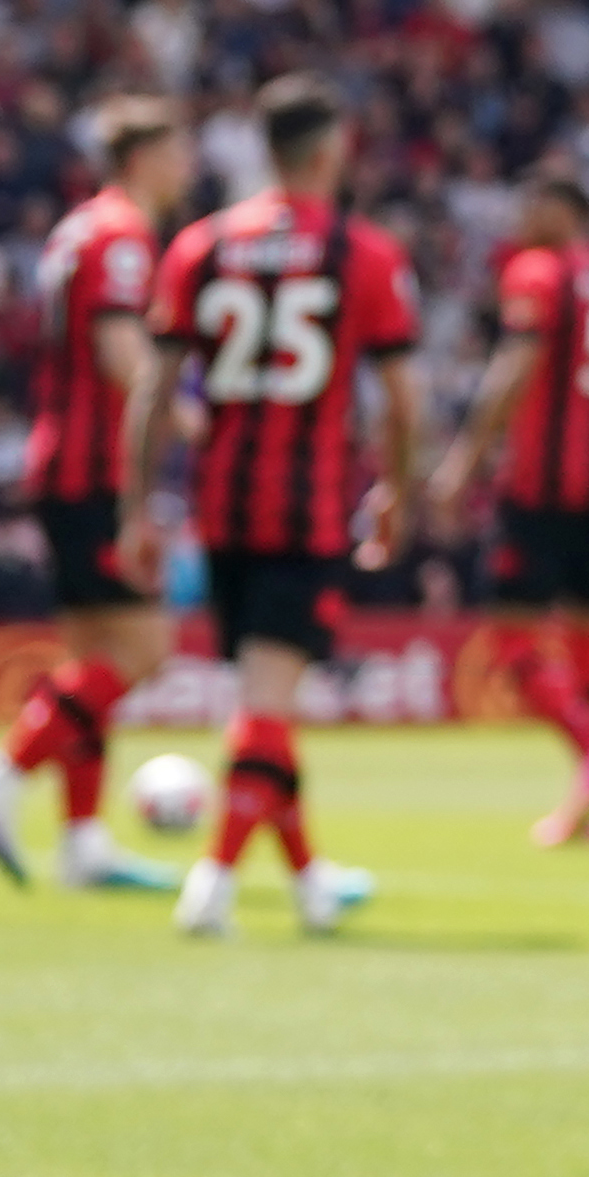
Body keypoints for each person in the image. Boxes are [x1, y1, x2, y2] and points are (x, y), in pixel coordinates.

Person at [127, 73, 422, 939]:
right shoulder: (363, 252)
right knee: (265, 700)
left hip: (223, 507)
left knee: (267, 698)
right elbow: (402, 399)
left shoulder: (199, 245)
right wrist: (397, 490)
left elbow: (152, 392)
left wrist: (138, 505)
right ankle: (213, 882)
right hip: (308, 510)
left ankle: (308, 885)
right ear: (330, 153)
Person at [0, 96, 192, 895]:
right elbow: (121, 346)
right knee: (143, 651)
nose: (187, 162)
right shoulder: (122, 233)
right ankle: (2, 774)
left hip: (61, 457)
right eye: (176, 146)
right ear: (143, 155)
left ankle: (83, 841)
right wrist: (186, 419)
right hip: (95, 466)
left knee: (94, 655)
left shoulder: (77, 227)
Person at [427, 162, 589, 849]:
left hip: (538, 490)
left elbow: (513, 373)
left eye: (527, 205)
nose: (518, 220)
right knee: (588, 650)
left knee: (512, 640)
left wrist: (461, 462)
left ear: (555, 208)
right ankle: (588, 810)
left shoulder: (537, 272)